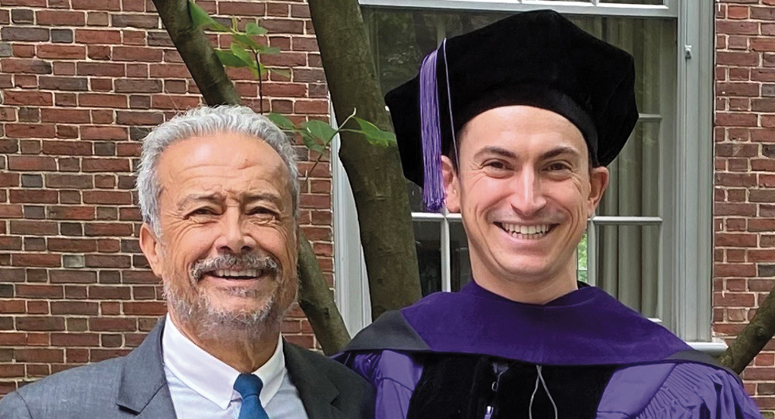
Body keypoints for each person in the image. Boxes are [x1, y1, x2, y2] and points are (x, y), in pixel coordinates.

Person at [335, 10, 761, 419]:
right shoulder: (383, 366)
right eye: (498, 165)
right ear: (450, 184)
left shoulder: (684, 388)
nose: (528, 199)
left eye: (556, 166)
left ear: (593, 190)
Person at [0, 106, 375, 419]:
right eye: (203, 212)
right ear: (154, 249)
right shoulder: (42, 413)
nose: (234, 238)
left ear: (294, 240)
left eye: (261, 211)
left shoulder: (362, 402)